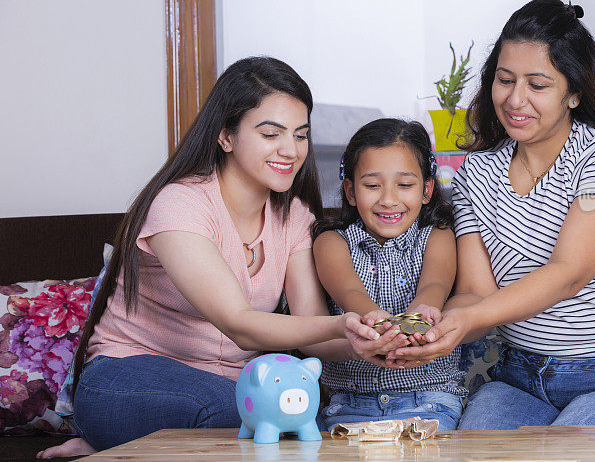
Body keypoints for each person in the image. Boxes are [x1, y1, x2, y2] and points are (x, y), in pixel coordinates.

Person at [38, 57, 381, 458]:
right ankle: (111, 437)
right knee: (242, 413)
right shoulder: (180, 204)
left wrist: (368, 341)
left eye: (301, 135)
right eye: (271, 133)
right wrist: (341, 323)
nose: (291, 150)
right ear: (226, 137)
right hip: (125, 378)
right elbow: (240, 326)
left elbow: (315, 332)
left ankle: (122, 449)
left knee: (297, 413)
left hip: (236, 389)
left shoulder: (295, 218)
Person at [388, 0, 595, 430]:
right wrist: (435, 325)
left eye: (537, 84)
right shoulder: (477, 172)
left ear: (574, 92)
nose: (515, 99)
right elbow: (478, 293)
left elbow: (569, 272)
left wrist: (469, 319)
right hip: (522, 379)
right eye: (505, 80)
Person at [312, 119, 467, 431]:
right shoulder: (331, 242)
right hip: (348, 404)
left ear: (426, 190)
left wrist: (421, 315)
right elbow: (349, 292)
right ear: (350, 190)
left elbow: (435, 282)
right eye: (372, 185)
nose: (388, 199)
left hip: (430, 399)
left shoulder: (437, 236)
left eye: (405, 185)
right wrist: (375, 321)